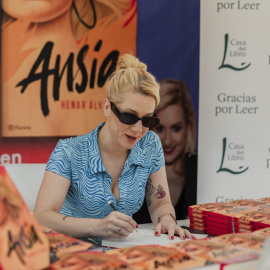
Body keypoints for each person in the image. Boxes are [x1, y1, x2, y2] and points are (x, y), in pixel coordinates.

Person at [33, 54, 193, 241]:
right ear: (107, 107)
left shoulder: (150, 144)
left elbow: (160, 202)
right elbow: (42, 216)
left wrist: (166, 218)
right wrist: (97, 226)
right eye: (129, 116)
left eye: (148, 119)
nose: (138, 129)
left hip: (124, 252)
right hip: (72, 252)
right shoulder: (69, 151)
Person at [133, 78, 197, 223]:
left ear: (188, 127)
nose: (167, 141)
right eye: (160, 129)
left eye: (176, 128)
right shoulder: (131, 169)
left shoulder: (201, 171)